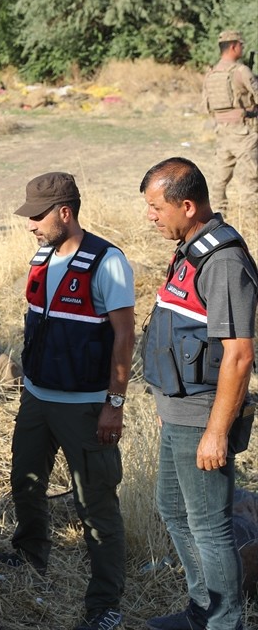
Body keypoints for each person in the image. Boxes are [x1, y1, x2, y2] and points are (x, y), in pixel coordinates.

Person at [0, 173, 133, 630]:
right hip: (37, 398)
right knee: (25, 482)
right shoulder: (43, 254)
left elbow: (125, 336)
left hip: (87, 405)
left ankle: (105, 604)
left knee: (97, 506)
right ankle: (30, 554)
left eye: (37, 215)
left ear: (64, 212)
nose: (29, 223)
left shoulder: (108, 262)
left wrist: (114, 404)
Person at [139, 157, 257, 630]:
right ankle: (201, 610)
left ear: (187, 205)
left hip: (204, 416)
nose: (150, 216)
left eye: (156, 207)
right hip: (179, 410)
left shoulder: (223, 259)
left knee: (210, 526)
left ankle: (223, 621)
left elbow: (239, 355)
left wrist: (216, 432)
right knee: (173, 509)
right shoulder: (190, 246)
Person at [202, 29, 258, 217]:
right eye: (241, 44)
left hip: (221, 133)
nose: (242, 47)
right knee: (251, 179)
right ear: (234, 46)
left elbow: (206, 106)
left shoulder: (211, 73)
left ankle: (217, 218)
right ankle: (250, 221)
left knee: (219, 181)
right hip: (243, 132)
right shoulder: (241, 71)